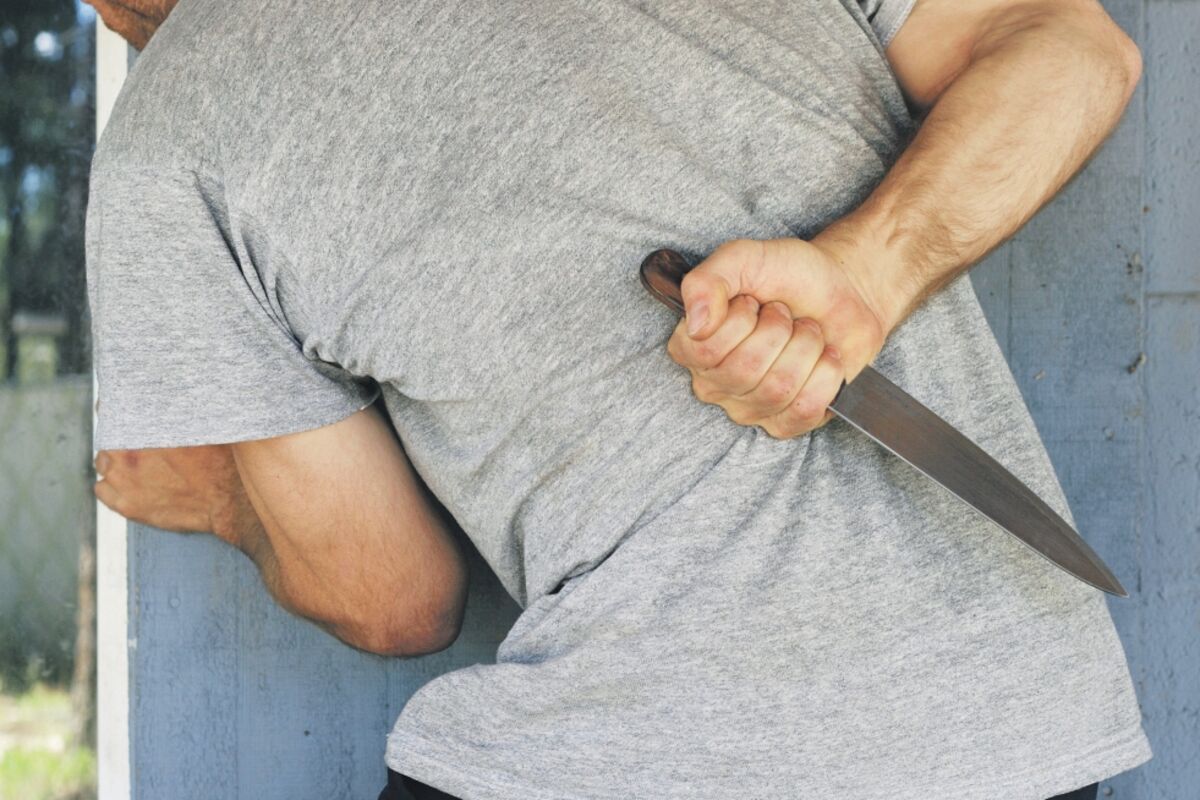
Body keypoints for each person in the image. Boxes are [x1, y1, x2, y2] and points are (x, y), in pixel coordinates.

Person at [85, 0, 1150, 798]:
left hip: (633, 747)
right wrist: (868, 270)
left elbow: (394, 597)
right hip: (1015, 725)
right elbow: (1072, 47)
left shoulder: (169, 141)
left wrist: (220, 497)